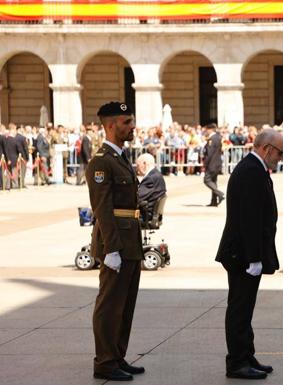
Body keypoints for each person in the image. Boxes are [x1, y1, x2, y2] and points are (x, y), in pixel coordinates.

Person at [215, 129, 283, 380]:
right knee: (239, 309)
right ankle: (236, 363)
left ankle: (246, 355)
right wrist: (254, 257)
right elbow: (250, 219)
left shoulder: (253, 168)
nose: (281, 157)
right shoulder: (251, 171)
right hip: (242, 255)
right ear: (267, 148)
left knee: (245, 308)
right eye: (279, 152)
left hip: (244, 252)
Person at [86, 101, 145, 381]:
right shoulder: (101, 161)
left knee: (125, 305)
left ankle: (118, 356)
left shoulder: (120, 157)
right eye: (126, 122)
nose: (131, 126)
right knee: (110, 305)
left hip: (130, 241)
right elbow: (102, 208)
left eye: (131, 121)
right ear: (111, 125)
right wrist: (111, 249)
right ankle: (105, 362)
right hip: (116, 244)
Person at [136, 153, 167, 221]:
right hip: (150, 213)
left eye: (137, 165)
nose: (137, 169)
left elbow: (137, 198)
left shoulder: (150, 178)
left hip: (145, 216)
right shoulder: (156, 174)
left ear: (144, 164)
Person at [202, 123, 225, 207]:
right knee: (213, 181)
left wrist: (205, 163)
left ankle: (220, 194)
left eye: (206, 130)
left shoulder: (212, 139)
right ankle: (214, 201)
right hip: (217, 163)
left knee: (207, 180)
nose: (206, 131)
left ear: (210, 129)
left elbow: (210, 153)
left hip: (212, 163)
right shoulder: (218, 137)